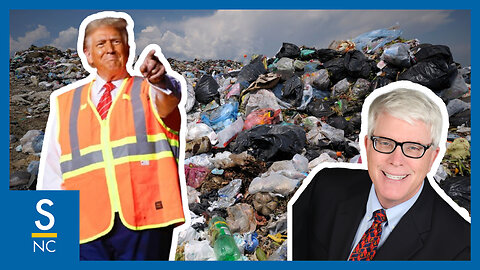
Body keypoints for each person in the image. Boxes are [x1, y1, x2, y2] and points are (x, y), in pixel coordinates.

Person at [37, 11, 187, 260]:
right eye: (101, 43)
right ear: (87, 55)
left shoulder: (150, 90)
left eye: (116, 41)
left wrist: (161, 79)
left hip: (146, 221)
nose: (109, 49)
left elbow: (171, 96)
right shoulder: (65, 103)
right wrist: (47, 236)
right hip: (84, 227)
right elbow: (52, 174)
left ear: (128, 48)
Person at [291, 81, 470, 260]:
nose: (396, 160)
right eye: (385, 143)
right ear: (367, 145)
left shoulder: (461, 248)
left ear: (432, 157)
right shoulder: (324, 187)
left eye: (413, 148)